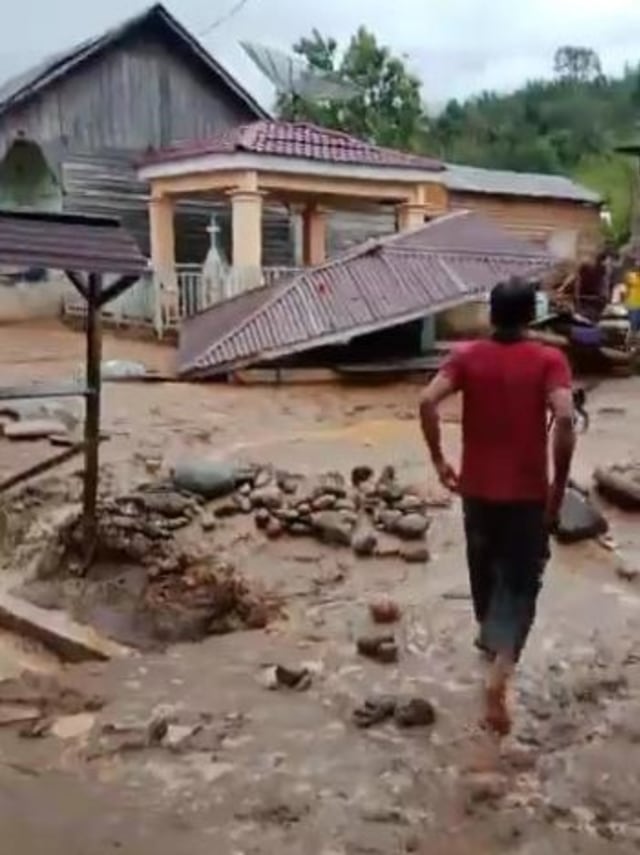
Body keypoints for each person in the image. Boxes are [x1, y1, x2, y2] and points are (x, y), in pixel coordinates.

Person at [419, 277, 576, 736]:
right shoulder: (550, 359)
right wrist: (559, 486)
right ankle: (499, 675)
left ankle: (490, 644)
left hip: (476, 492)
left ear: (491, 314)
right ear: (532, 316)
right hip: (527, 497)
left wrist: (438, 460)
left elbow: (427, 400)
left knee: (483, 572)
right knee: (521, 584)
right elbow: (564, 416)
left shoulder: (467, 356)